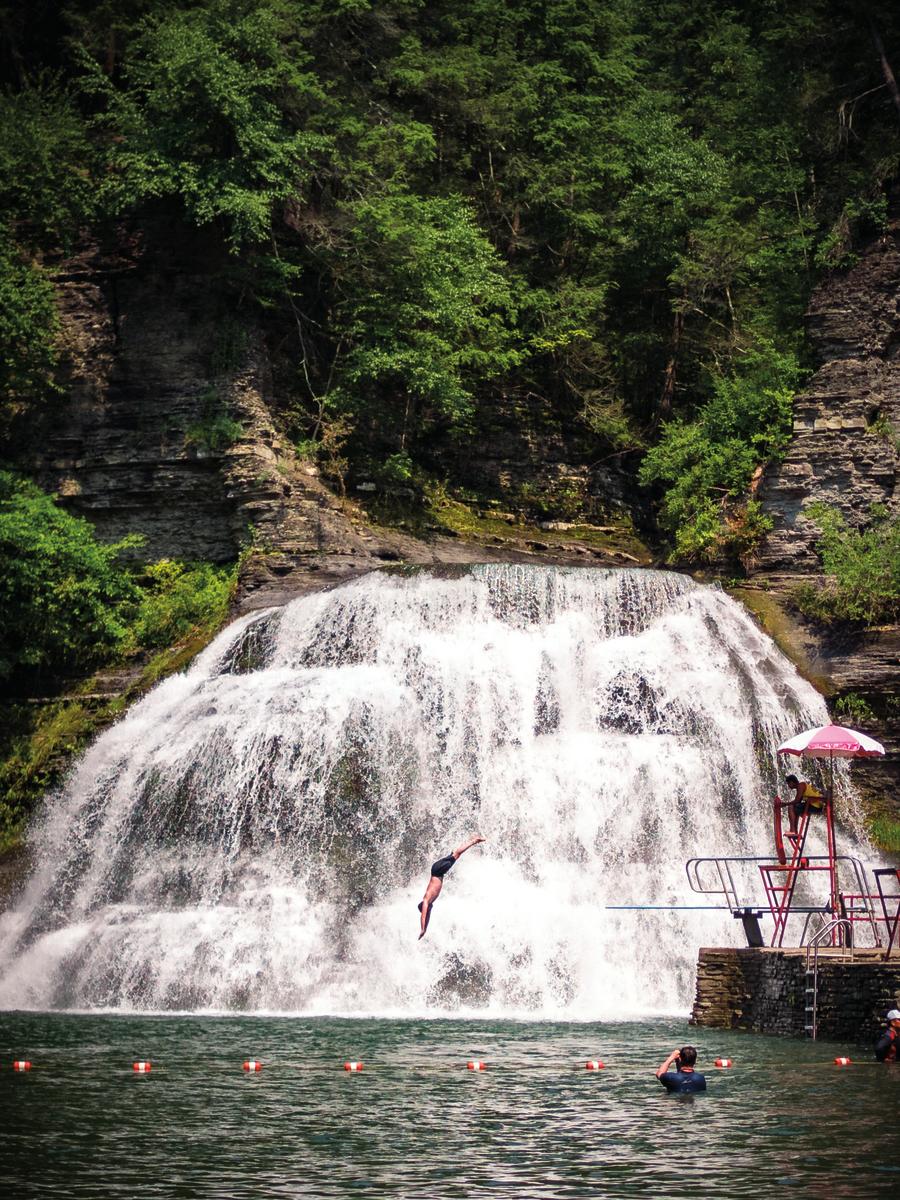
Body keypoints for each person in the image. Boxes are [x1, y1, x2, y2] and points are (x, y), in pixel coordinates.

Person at [418, 836, 485, 939]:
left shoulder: (426, 899)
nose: (428, 910)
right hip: (438, 871)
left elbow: (423, 915)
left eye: (426, 909)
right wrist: (425, 930)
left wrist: (422, 928)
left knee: (456, 854)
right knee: (455, 854)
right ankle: (471, 840)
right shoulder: (430, 902)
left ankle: (473, 840)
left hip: (437, 871)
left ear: (423, 906)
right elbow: (427, 917)